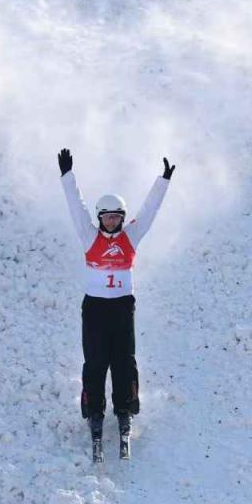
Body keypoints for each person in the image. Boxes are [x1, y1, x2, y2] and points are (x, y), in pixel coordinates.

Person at [58, 148, 175, 463]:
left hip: (123, 308)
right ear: (100, 218)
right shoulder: (88, 236)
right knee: (95, 363)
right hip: (95, 309)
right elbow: (75, 207)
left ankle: (125, 409)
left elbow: (150, 211)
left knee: (124, 361)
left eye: (118, 217)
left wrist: (163, 180)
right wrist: (67, 175)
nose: (113, 221)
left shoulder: (131, 237)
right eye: (108, 217)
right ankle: (94, 411)